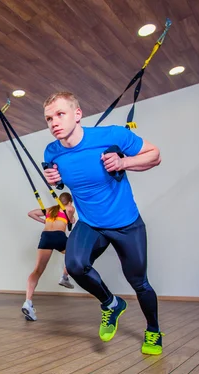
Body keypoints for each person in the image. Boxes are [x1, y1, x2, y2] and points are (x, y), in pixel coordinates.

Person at [42, 91, 163, 355]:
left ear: (77, 114)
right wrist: (54, 179)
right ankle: (111, 304)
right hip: (90, 223)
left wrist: (124, 161)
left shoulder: (111, 136)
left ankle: (153, 330)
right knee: (74, 266)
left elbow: (155, 155)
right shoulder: (52, 151)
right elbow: (63, 177)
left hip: (126, 224)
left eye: (60, 114)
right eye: (49, 118)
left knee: (140, 283)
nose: (54, 122)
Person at [22, 193, 76, 321]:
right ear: (69, 201)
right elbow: (71, 218)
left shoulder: (50, 210)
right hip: (58, 235)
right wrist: (71, 219)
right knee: (73, 254)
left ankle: (28, 302)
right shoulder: (69, 208)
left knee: (37, 271)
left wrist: (44, 220)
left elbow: (31, 213)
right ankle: (64, 277)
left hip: (45, 236)